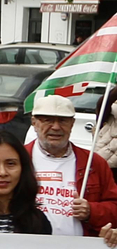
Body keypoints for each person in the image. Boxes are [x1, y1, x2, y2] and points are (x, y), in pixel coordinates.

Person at [24, 94, 117, 236]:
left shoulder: (94, 162)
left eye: (63, 121)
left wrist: (91, 211)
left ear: (72, 124)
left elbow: (114, 208)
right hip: (26, 248)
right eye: (48, 120)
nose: (56, 127)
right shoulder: (18, 158)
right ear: (34, 123)